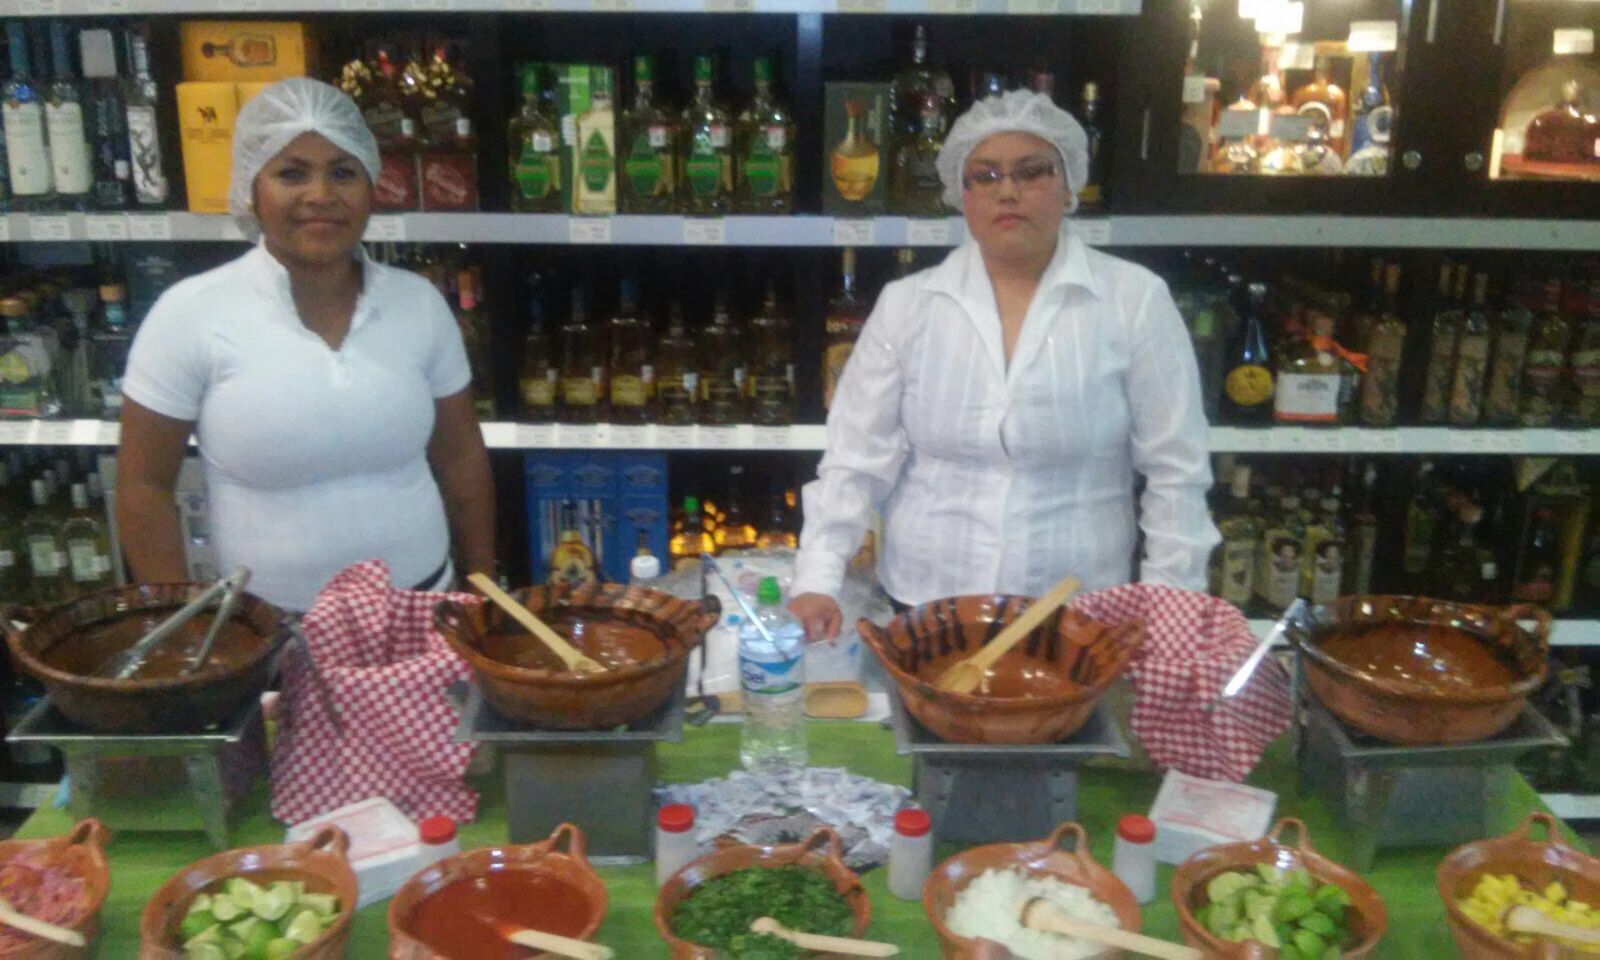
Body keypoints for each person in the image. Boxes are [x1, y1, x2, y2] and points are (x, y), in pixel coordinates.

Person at [790, 90, 1218, 639]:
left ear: (1068, 186)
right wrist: (818, 577)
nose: (1007, 190)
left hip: (1075, 611)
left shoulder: (1134, 301)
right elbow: (855, 459)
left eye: (1032, 172)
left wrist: (1171, 606)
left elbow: (1177, 470)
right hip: (927, 603)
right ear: (961, 195)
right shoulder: (908, 306)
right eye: (985, 176)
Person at [116, 78, 494, 612]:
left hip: (423, 613)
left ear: (371, 185)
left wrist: (483, 592)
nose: (320, 195)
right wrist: (182, 627)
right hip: (268, 632)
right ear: (251, 189)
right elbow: (143, 488)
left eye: (343, 172)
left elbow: (462, 458)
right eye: (292, 173)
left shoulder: (419, 305)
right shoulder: (190, 314)